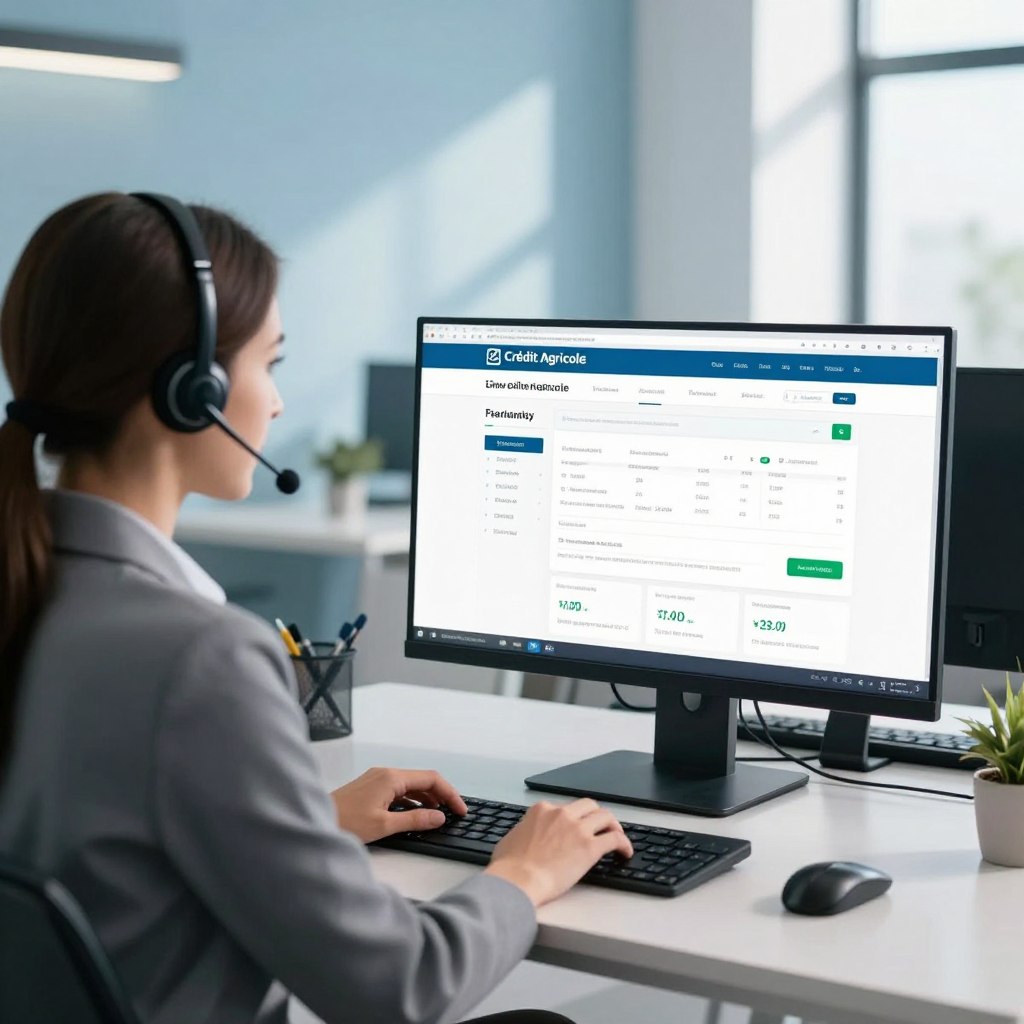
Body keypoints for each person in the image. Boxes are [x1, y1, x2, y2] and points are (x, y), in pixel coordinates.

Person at [0, 193, 633, 1024]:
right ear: (195, 390)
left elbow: (94, 842)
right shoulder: (198, 656)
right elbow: (396, 989)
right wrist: (524, 873)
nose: (278, 403)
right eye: (273, 364)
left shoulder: (33, 591)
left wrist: (308, 824)